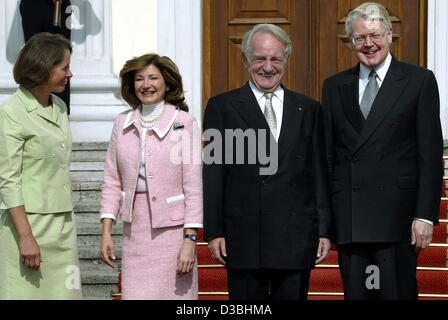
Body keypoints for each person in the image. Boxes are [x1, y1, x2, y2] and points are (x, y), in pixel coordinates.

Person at [321, 2, 443, 300]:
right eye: (360, 38)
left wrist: (425, 216)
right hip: (351, 216)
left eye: (374, 35)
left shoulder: (419, 81)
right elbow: (327, 158)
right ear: (351, 42)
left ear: (390, 35)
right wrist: (325, 225)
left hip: (398, 219)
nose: (368, 44)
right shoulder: (334, 86)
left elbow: (430, 154)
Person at [203, 24, 332, 300]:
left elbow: (319, 173)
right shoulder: (222, 107)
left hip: (295, 235)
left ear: (286, 61)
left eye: (276, 59)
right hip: (243, 235)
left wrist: (324, 230)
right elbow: (214, 175)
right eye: (260, 58)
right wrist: (214, 231)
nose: (268, 67)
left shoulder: (309, 109)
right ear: (246, 60)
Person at [99, 54, 203, 300]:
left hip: (173, 235)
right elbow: (112, 180)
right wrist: (106, 232)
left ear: (167, 83)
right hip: (134, 233)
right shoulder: (122, 122)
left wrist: (190, 241)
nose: (146, 84)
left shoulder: (184, 122)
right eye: (139, 79)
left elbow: (194, 186)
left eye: (153, 77)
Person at [0, 32, 81, 299]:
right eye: (65, 67)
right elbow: (8, 179)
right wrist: (25, 236)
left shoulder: (59, 106)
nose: (70, 74)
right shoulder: (11, 112)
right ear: (44, 67)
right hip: (28, 227)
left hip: (63, 227)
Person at [20, 0, 72, 114]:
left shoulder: (65, 5)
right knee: (36, 59)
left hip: (60, 4)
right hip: (36, 5)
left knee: (62, 54)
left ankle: (59, 117)